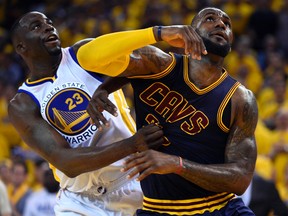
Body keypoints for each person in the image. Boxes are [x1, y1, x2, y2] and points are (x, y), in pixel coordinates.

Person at [79, 7, 258, 215]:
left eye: (227, 24)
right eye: (210, 19)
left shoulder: (240, 99)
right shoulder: (158, 64)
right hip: (157, 209)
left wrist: (177, 164)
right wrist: (158, 33)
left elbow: (241, 178)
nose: (221, 24)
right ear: (189, 31)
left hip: (220, 207)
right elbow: (87, 56)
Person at [8, 11, 164, 215]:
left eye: (49, 23)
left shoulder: (82, 54)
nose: (48, 27)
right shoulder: (23, 103)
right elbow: (65, 161)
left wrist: (106, 88)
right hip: (81, 201)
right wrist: (132, 144)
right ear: (21, 47)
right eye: (37, 26)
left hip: (135, 181)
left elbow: (145, 63)